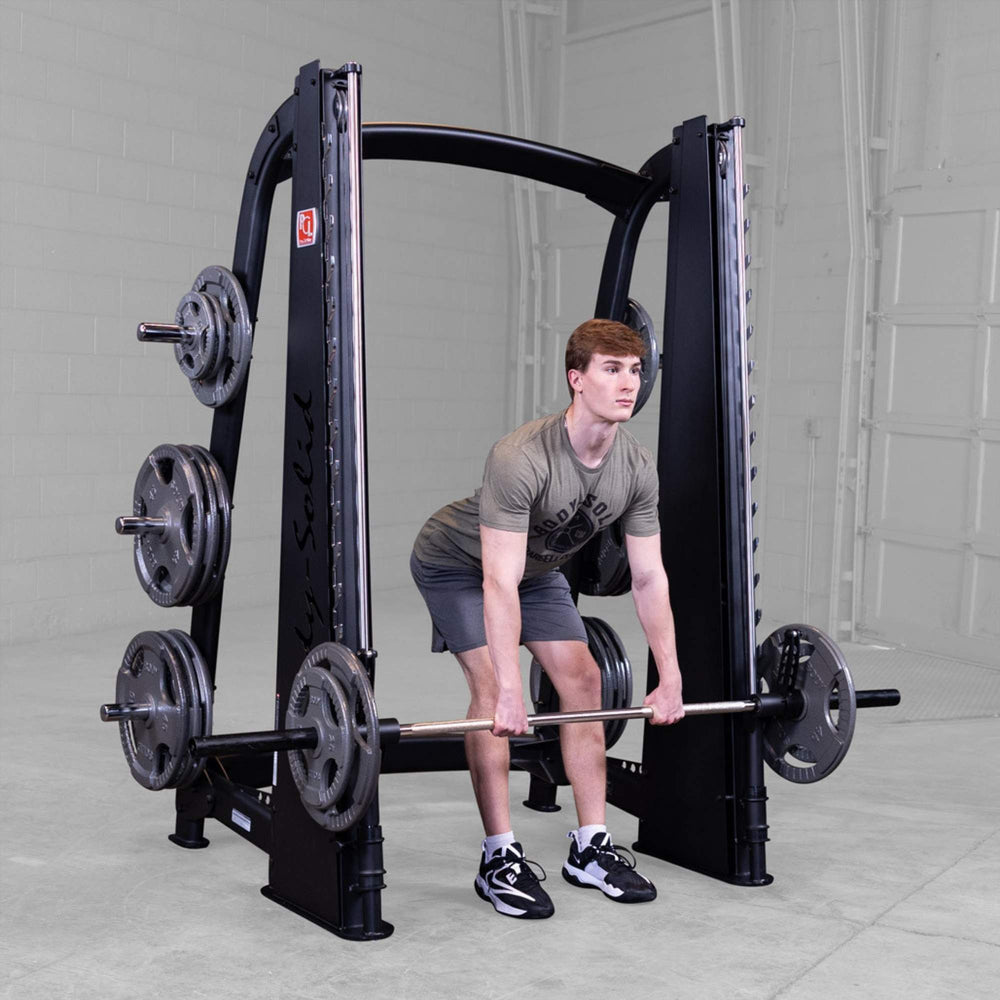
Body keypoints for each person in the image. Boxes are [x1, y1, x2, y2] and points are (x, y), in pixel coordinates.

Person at [409, 318, 684, 919]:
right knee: (489, 692)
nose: (628, 383)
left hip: (536, 573)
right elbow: (496, 580)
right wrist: (511, 688)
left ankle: (590, 848)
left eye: (635, 370)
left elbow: (649, 577)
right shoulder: (522, 457)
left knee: (584, 683)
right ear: (576, 380)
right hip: (459, 565)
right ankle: (499, 858)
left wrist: (670, 675)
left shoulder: (636, 467)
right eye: (611, 369)